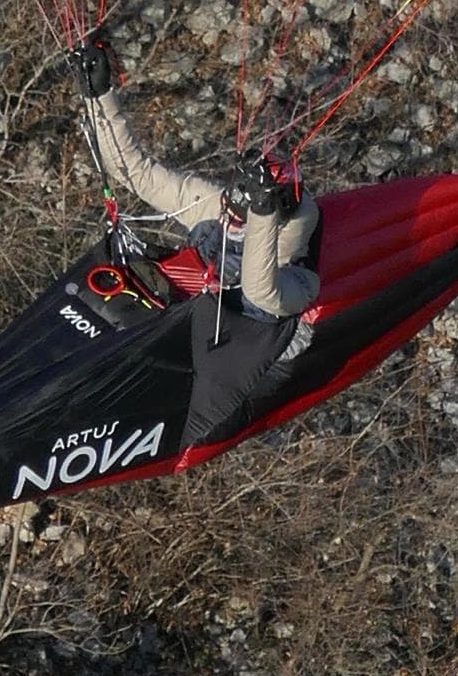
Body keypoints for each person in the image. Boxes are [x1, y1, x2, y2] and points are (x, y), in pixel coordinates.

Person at [69, 31, 321, 449]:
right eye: (237, 204)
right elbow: (137, 173)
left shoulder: (300, 279)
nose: (232, 213)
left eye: (250, 209)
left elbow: (261, 289)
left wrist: (258, 213)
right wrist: (100, 97)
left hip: (203, 391)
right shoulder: (217, 209)